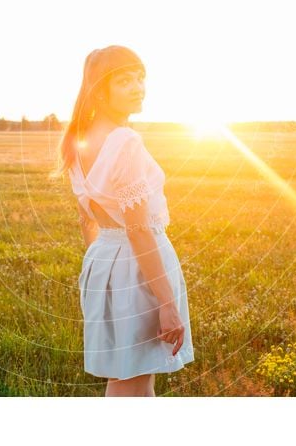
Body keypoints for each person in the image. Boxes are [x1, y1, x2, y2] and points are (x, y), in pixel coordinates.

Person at [52, 45, 195, 396]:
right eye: (124, 81)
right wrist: (166, 305)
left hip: (103, 263)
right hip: (137, 269)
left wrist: (103, 264)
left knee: (127, 378)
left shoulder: (77, 140)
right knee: (135, 379)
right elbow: (139, 230)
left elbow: (86, 217)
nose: (138, 87)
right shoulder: (125, 141)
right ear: (100, 90)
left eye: (140, 78)